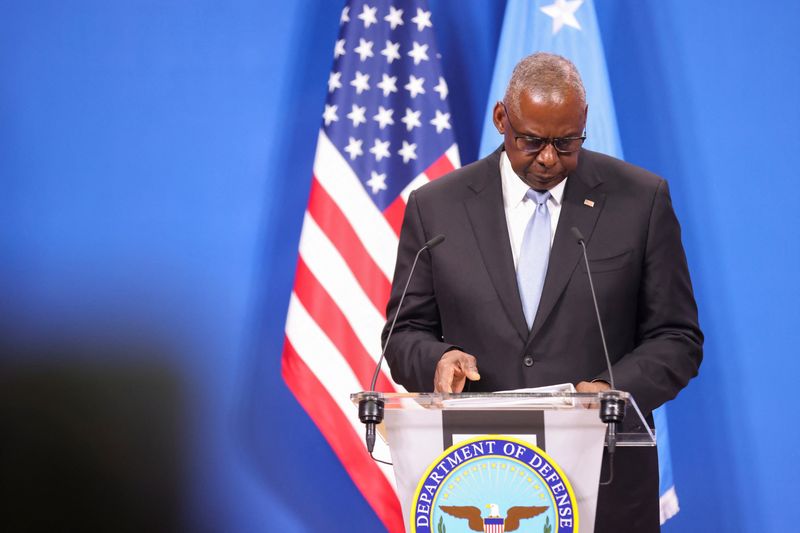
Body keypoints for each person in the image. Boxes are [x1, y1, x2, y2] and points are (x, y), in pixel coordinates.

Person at [382, 52, 703, 532]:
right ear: (501, 119)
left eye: (566, 142)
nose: (549, 158)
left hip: (607, 480)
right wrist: (437, 359)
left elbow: (677, 337)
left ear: (584, 124)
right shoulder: (437, 208)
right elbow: (404, 333)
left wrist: (612, 390)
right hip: (480, 480)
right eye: (531, 141)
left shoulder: (640, 200)